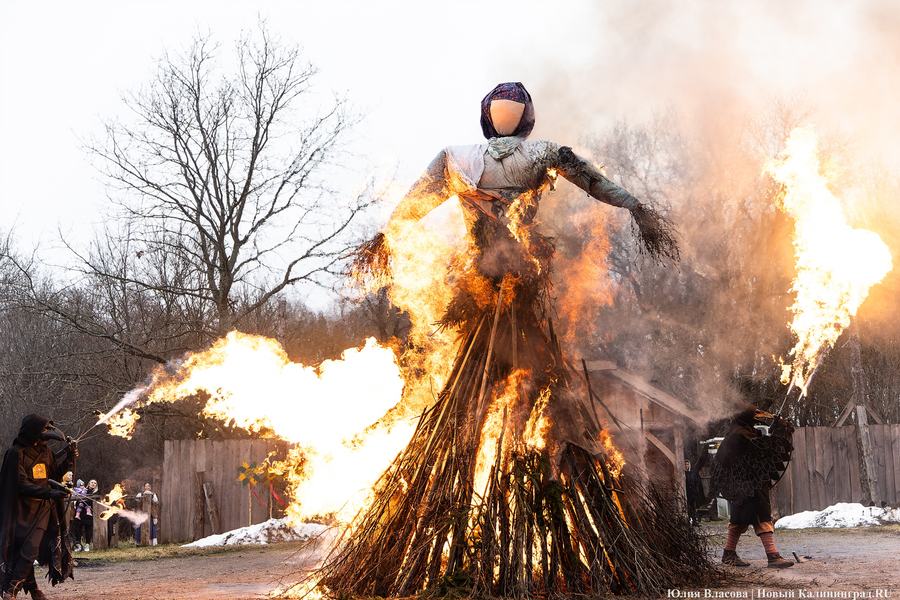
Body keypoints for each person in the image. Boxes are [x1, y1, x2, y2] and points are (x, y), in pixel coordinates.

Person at [323, 82, 681, 596]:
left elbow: (414, 203)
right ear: (527, 118)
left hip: (486, 292)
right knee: (543, 390)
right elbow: (596, 183)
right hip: (517, 292)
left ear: (488, 119)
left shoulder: (457, 158)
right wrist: (636, 207)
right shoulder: (542, 154)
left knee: (470, 403)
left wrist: (386, 235)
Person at [0, 414, 77, 599]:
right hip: (20, 512)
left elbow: (55, 476)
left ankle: (11, 590)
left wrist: (69, 459)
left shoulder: (47, 453)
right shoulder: (16, 453)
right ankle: (33, 588)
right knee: (21, 550)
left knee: (31, 549)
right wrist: (49, 493)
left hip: (43, 510)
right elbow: (21, 484)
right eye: (43, 429)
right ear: (33, 431)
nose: (46, 434)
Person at [710, 403, 794, 568]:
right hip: (747, 487)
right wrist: (779, 429)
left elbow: (758, 447)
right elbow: (763, 448)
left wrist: (773, 429)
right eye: (754, 414)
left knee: (740, 522)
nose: (757, 416)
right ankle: (772, 556)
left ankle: (729, 554)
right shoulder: (739, 434)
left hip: (744, 486)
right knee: (760, 518)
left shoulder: (738, 433)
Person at [71, 480, 96, 552]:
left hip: (89, 513)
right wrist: (78, 504)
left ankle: (87, 544)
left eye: (94, 483)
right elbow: (76, 498)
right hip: (80, 513)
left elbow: (91, 501)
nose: (93, 484)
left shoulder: (94, 492)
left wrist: (84, 504)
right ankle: (78, 545)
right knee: (78, 529)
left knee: (88, 529)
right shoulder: (84, 490)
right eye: (92, 482)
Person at [685, 459, 705, 525]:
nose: (686, 466)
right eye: (685, 464)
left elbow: (696, 483)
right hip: (686, 494)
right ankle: (687, 520)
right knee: (687, 507)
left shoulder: (692, 474)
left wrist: (696, 491)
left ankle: (694, 520)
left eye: (687, 464)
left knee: (693, 507)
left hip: (693, 494)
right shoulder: (683, 474)